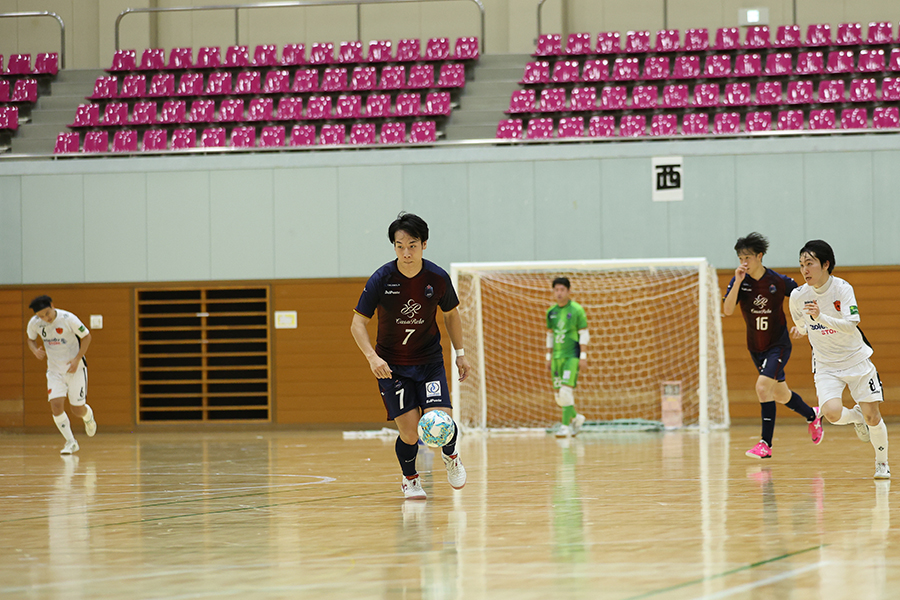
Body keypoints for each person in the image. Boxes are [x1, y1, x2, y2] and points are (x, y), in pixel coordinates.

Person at [350, 213, 473, 500]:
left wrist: (460, 354)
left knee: (441, 422)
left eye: (412, 245)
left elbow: (451, 314)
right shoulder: (381, 279)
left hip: (429, 362)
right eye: (400, 246)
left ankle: (451, 456)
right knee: (410, 434)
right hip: (392, 368)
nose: (406, 253)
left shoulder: (436, 278)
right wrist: (372, 357)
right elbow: (357, 323)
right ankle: (410, 479)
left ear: (424, 244)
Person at [789, 240, 890, 479]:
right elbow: (802, 324)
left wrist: (821, 317)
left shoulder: (842, 288)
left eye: (810, 263)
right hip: (826, 364)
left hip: (856, 359)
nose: (804, 270)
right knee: (832, 413)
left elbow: (851, 324)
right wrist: (800, 331)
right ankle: (856, 417)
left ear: (825, 264)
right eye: (801, 264)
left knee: (873, 416)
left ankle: (882, 463)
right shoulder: (798, 296)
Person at [722, 233, 823, 459]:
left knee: (762, 387)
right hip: (755, 347)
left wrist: (802, 325)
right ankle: (812, 415)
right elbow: (727, 310)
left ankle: (765, 444)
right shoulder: (740, 282)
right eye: (740, 258)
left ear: (759, 256)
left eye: (747, 258)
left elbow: (803, 297)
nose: (744, 263)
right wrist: (737, 281)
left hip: (778, 345)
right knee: (780, 393)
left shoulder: (778, 281)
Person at [26, 295, 97, 455]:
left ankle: (88, 416)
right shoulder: (35, 323)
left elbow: (86, 336)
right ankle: (71, 442)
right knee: (56, 406)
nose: (46, 318)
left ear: (52, 306)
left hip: (75, 369)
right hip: (54, 371)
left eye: (47, 313)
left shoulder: (68, 319)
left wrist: (77, 359)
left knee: (77, 410)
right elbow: (30, 339)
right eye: (41, 316)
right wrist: (34, 350)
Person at [546, 277, 588, 437]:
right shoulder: (551, 312)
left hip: (572, 356)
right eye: (556, 290)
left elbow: (584, 334)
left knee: (565, 392)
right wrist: (548, 357)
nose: (559, 293)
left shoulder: (576, 310)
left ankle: (565, 427)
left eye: (562, 290)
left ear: (568, 291)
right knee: (559, 397)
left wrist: (583, 356)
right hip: (557, 357)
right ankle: (577, 418)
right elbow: (550, 335)